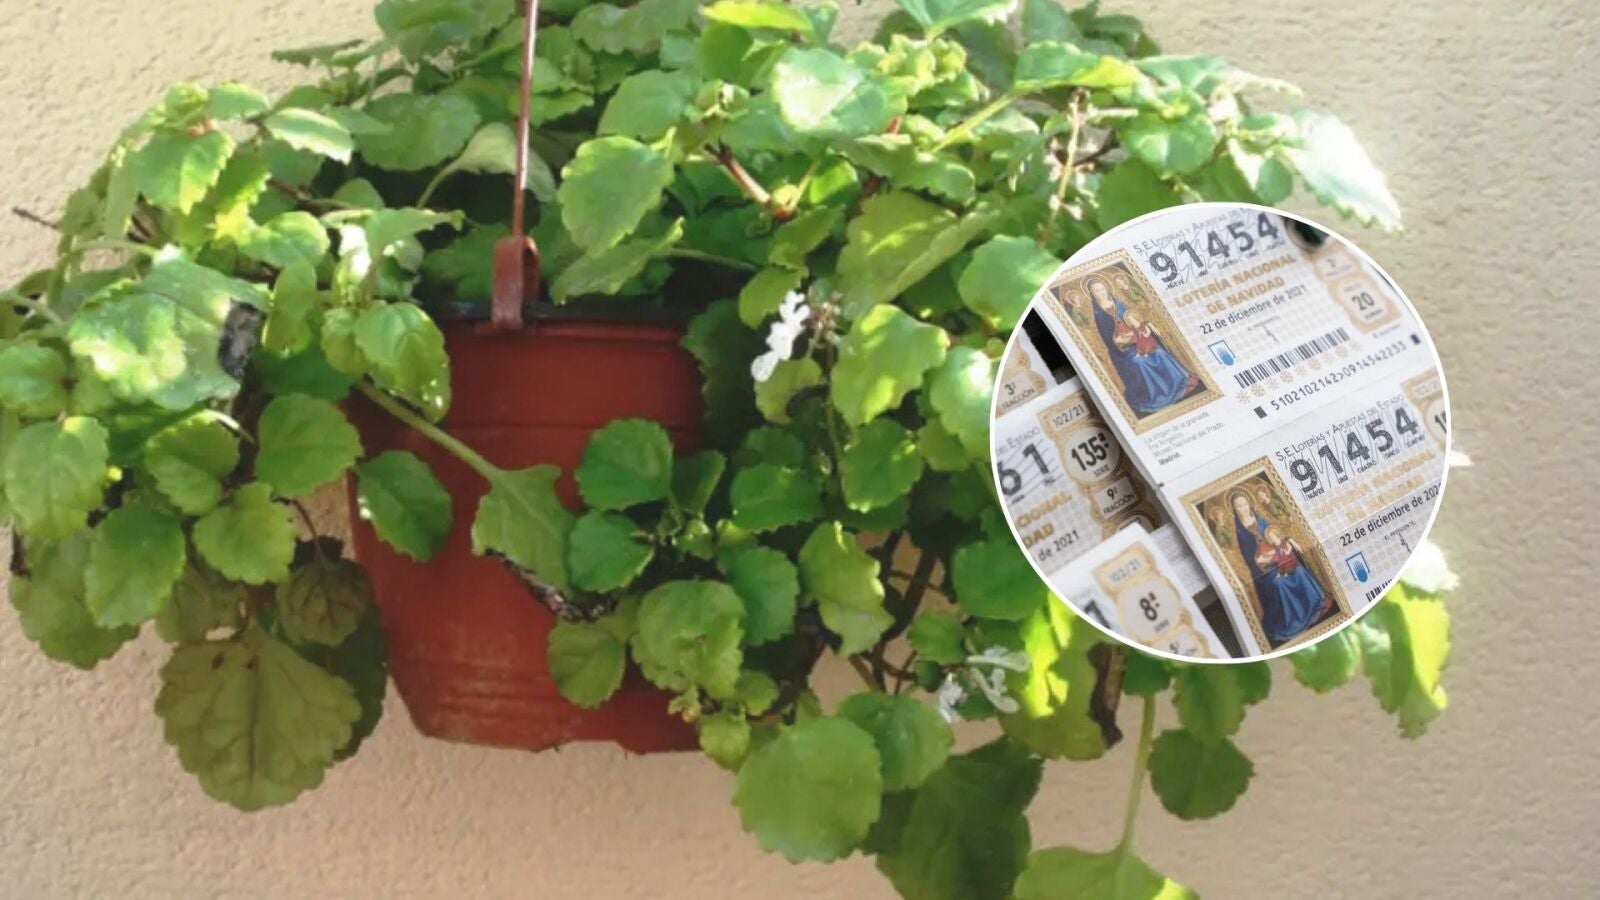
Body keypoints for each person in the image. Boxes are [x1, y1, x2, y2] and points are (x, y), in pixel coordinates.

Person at [1087, 275, 1200, 415]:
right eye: (1097, 290)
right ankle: (1157, 395)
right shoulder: (1099, 314)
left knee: (1159, 353)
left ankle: (1177, 384)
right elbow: (1108, 340)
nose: (1101, 292)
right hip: (1124, 351)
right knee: (1139, 362)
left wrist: (1145, 326)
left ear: (1107, 289)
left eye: (1102, 289)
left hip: (1140, 340)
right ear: (1092, 293)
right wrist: (1123, 340)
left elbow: (1136, 319)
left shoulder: (1119, 304)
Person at [1231, 493, 1332, 644]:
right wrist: (1266, 560)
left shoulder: (1260, 520)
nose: (1244, 508)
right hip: (1265, 572)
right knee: (1279, 584)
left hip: (1282, 559)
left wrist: (1288, 543)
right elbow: (1249, 558)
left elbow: (1278, 533)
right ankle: (1293, 621)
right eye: (1239, 506)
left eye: (1245, 504)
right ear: (1235, 509)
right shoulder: (1241, 532)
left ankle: (1314, 607)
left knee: (1299, 572)